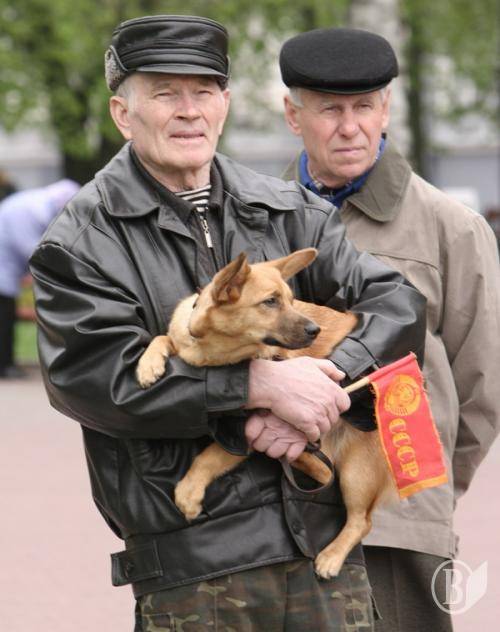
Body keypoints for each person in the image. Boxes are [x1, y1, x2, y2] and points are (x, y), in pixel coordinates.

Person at [29, 16, 426, 631]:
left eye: (204, 92)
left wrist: (326, 381)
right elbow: (97, 381)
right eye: (165, 93)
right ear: (122, 114)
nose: (189, 111)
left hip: (321, 547)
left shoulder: (290, 208)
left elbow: (398, 304)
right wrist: (254, 388)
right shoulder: (82, 241)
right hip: (196, 563)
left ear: (226, 105)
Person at [279, 27, 500, 632]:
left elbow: (482, 388)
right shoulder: (254, 218)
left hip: (397, 520)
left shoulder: (451, 227)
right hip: (271, 518)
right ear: (293, 116)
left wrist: (417, 491)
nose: (350, 127)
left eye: (365, 107)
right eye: (330, 110)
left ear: (386, 110)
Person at [0, 179, 79, 378]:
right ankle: (4, 365)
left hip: (6, 269)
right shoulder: (33, 210)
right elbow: (33, 251)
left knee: (6, 316)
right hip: (4, 270)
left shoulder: (34, 203)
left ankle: (7, 363)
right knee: (4, 317)